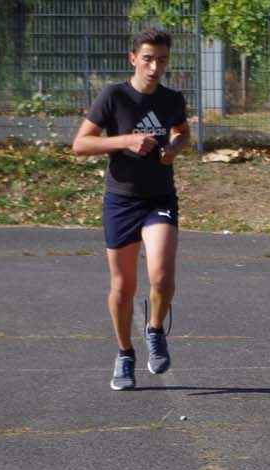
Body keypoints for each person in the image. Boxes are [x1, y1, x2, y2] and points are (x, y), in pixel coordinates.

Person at [72, 28, 191, 391]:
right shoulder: (114, 97)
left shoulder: (172, 99)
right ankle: (125, 354)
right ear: (133, 59)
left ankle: (154, 330)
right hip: (121, 200)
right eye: (149, 59)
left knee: (162, 276)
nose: (155, 67)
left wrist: (175, 147)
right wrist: (126, 141)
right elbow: (80, 144)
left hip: (159, 198)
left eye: (163, 60)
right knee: (123, 287)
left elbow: (183, 131)